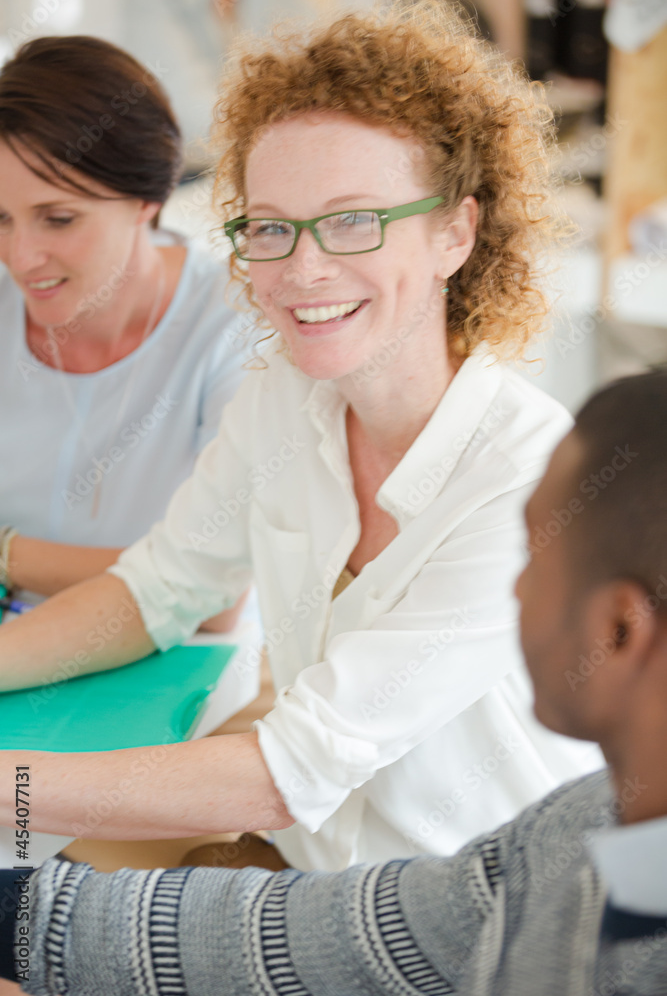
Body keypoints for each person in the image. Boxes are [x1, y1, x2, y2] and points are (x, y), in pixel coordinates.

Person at [0, 0, 602, 872]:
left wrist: (11, 781)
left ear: (454, 232)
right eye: (273, 228)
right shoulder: (286, 395)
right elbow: (156, 590)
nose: (302, 269)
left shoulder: (523, 478)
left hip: (465, 918)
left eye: (353, 220)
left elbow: (290, 770)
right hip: (303, 866)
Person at [1, 368, 665, 995]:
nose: (514, 587)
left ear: (617, 630)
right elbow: (333, 935)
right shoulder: (566, 837)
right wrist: (20, 919)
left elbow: (286, 785)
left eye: (537, 559)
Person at [0, 35, 249, 611]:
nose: (20, 257)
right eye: (1, 218)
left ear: (147, 197)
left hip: (169, 670)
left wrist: (7, 555)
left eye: (58, 219)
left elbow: (216, 593)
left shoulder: (232, 326)